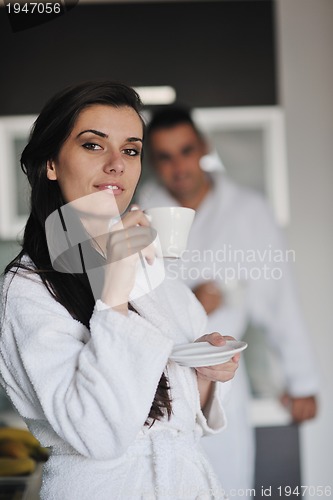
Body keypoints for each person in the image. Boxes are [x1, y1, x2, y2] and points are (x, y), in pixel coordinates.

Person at [0, 83, 241, 500]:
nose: (117, 164)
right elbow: (97, 432)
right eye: (94, 146)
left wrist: (208, 373)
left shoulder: (148, 264)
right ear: (51, 163)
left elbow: (176, 409)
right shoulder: (26, 287)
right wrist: (115, 285)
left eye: (131, 150)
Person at [138, 106, 319, 498]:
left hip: (223, 382)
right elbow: (125, 298)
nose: (178, 167)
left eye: (186, 151)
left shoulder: (249, 212)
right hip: (153, 384)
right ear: (153, 161)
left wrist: (300, 381)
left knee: (225, 487)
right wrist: (191, 298)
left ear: (203, 147)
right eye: (165, 157)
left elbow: (279, 299)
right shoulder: (140, 213)